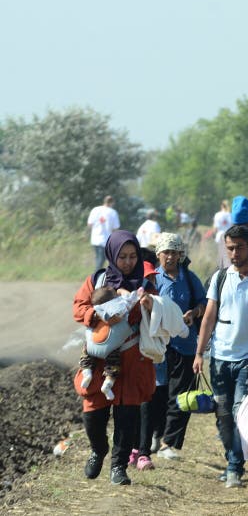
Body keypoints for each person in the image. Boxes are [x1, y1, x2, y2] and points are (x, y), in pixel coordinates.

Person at [72, 231, 157, 486]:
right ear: (112, 255)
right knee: (93, 412)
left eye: (133, 257)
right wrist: (99, 316)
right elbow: (79, 307)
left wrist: (148, 305)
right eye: (123, 257)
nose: (129, 262)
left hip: (132, 360)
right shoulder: (97, 280)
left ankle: (119, 467)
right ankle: (98, 449)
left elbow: (160, 315)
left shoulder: (147, 284)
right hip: (100, 358)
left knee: (127, 415)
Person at [193, 225, 248, 488]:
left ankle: (234, 467)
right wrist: (199, 353)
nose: (234, 252)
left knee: (241, 412)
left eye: (239, 247)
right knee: (223, 413)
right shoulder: (218, 278)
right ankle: (232, 457)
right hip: (219, 358)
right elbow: (209, 317)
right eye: (229, 247)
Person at [150, 233, 206, 461]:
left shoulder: (190, 279)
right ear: (158, 255)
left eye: (175, 252)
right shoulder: (153, 279)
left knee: (180, 395)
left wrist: (193, 313)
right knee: (157, 393)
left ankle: (168, 443)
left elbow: (204, 303)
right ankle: (155, 434)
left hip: (185, 346)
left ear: (181, 255)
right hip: (159, 346)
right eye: (166, 252)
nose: (171, 257)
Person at [87, 195, 120, 271]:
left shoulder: (95, 210)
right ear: (112, 203)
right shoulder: (113, 212)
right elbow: (116, 228)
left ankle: (99, 277)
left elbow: (89, 224)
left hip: (95, 239)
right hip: (105, 240)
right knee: (101, 261)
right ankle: (96, 278)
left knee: (99, 259)